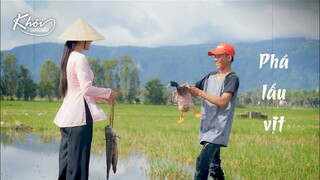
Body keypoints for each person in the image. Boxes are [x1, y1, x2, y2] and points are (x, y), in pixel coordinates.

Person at [54, 19, 117, 180]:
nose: (91, 42)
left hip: (67, 119)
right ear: (82, 39)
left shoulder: (68, 58)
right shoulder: (80, 58)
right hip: (79, 119)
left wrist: (102, 97)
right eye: (90, 38)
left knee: (67, 168)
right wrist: (108, 92)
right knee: (78, 170)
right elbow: (86, 89)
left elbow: (78, 90)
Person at [187, 43, 239, 180]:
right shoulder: (210, 76)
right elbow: (193, 90)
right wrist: (185, 89)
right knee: (214, 168)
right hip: (207, 127)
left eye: (219, 56)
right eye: (214, 56)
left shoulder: (232, 78)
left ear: (229, 57)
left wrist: (199, 92)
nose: (215, 59)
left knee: (202, 162)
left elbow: (223, 102)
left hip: (218, 129)